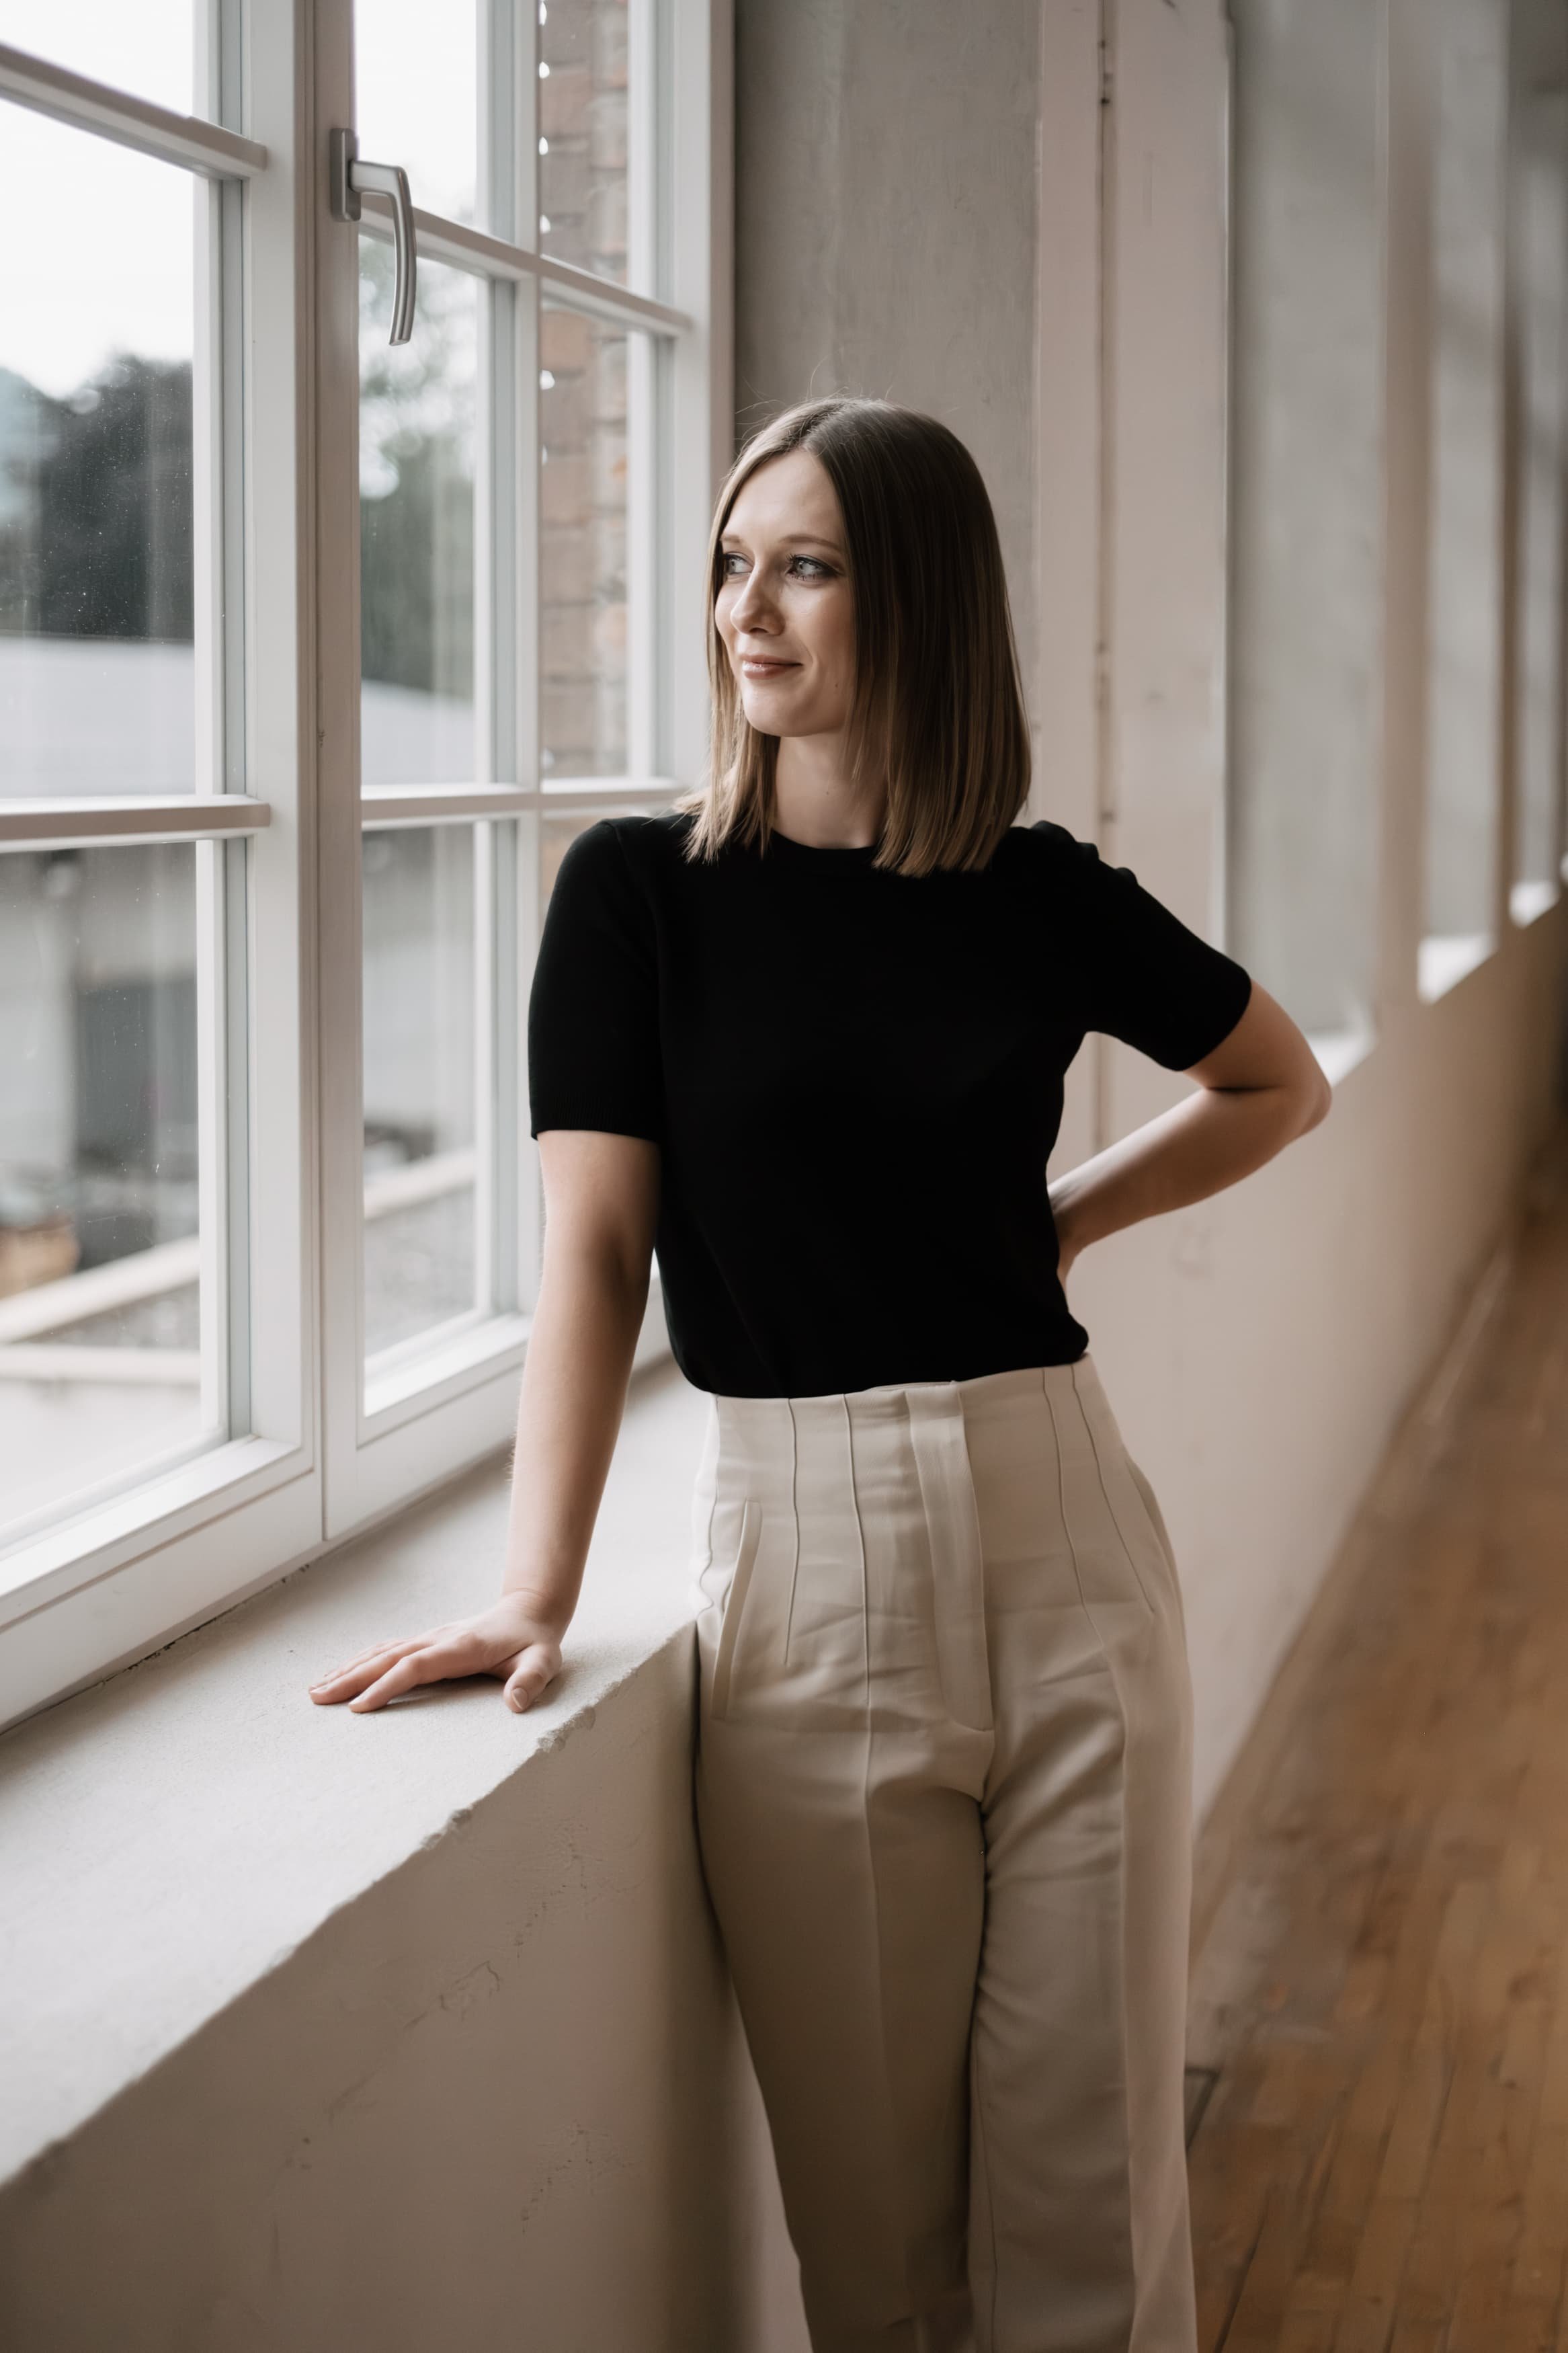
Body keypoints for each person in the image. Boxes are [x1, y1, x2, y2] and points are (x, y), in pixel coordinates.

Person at [311, 396, 1330, 2352]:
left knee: (1095, 2220)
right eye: (728, 561)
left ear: (917, 600)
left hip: (1069, 1547)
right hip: (802, 1566)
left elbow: (1280, 1081)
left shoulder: (1036, 893)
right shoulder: (637, 897)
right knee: (877, 2257)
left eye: (804, 565)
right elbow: (597, 1253)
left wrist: (1066, 1222)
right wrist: (534, 1586)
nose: (742, 615)